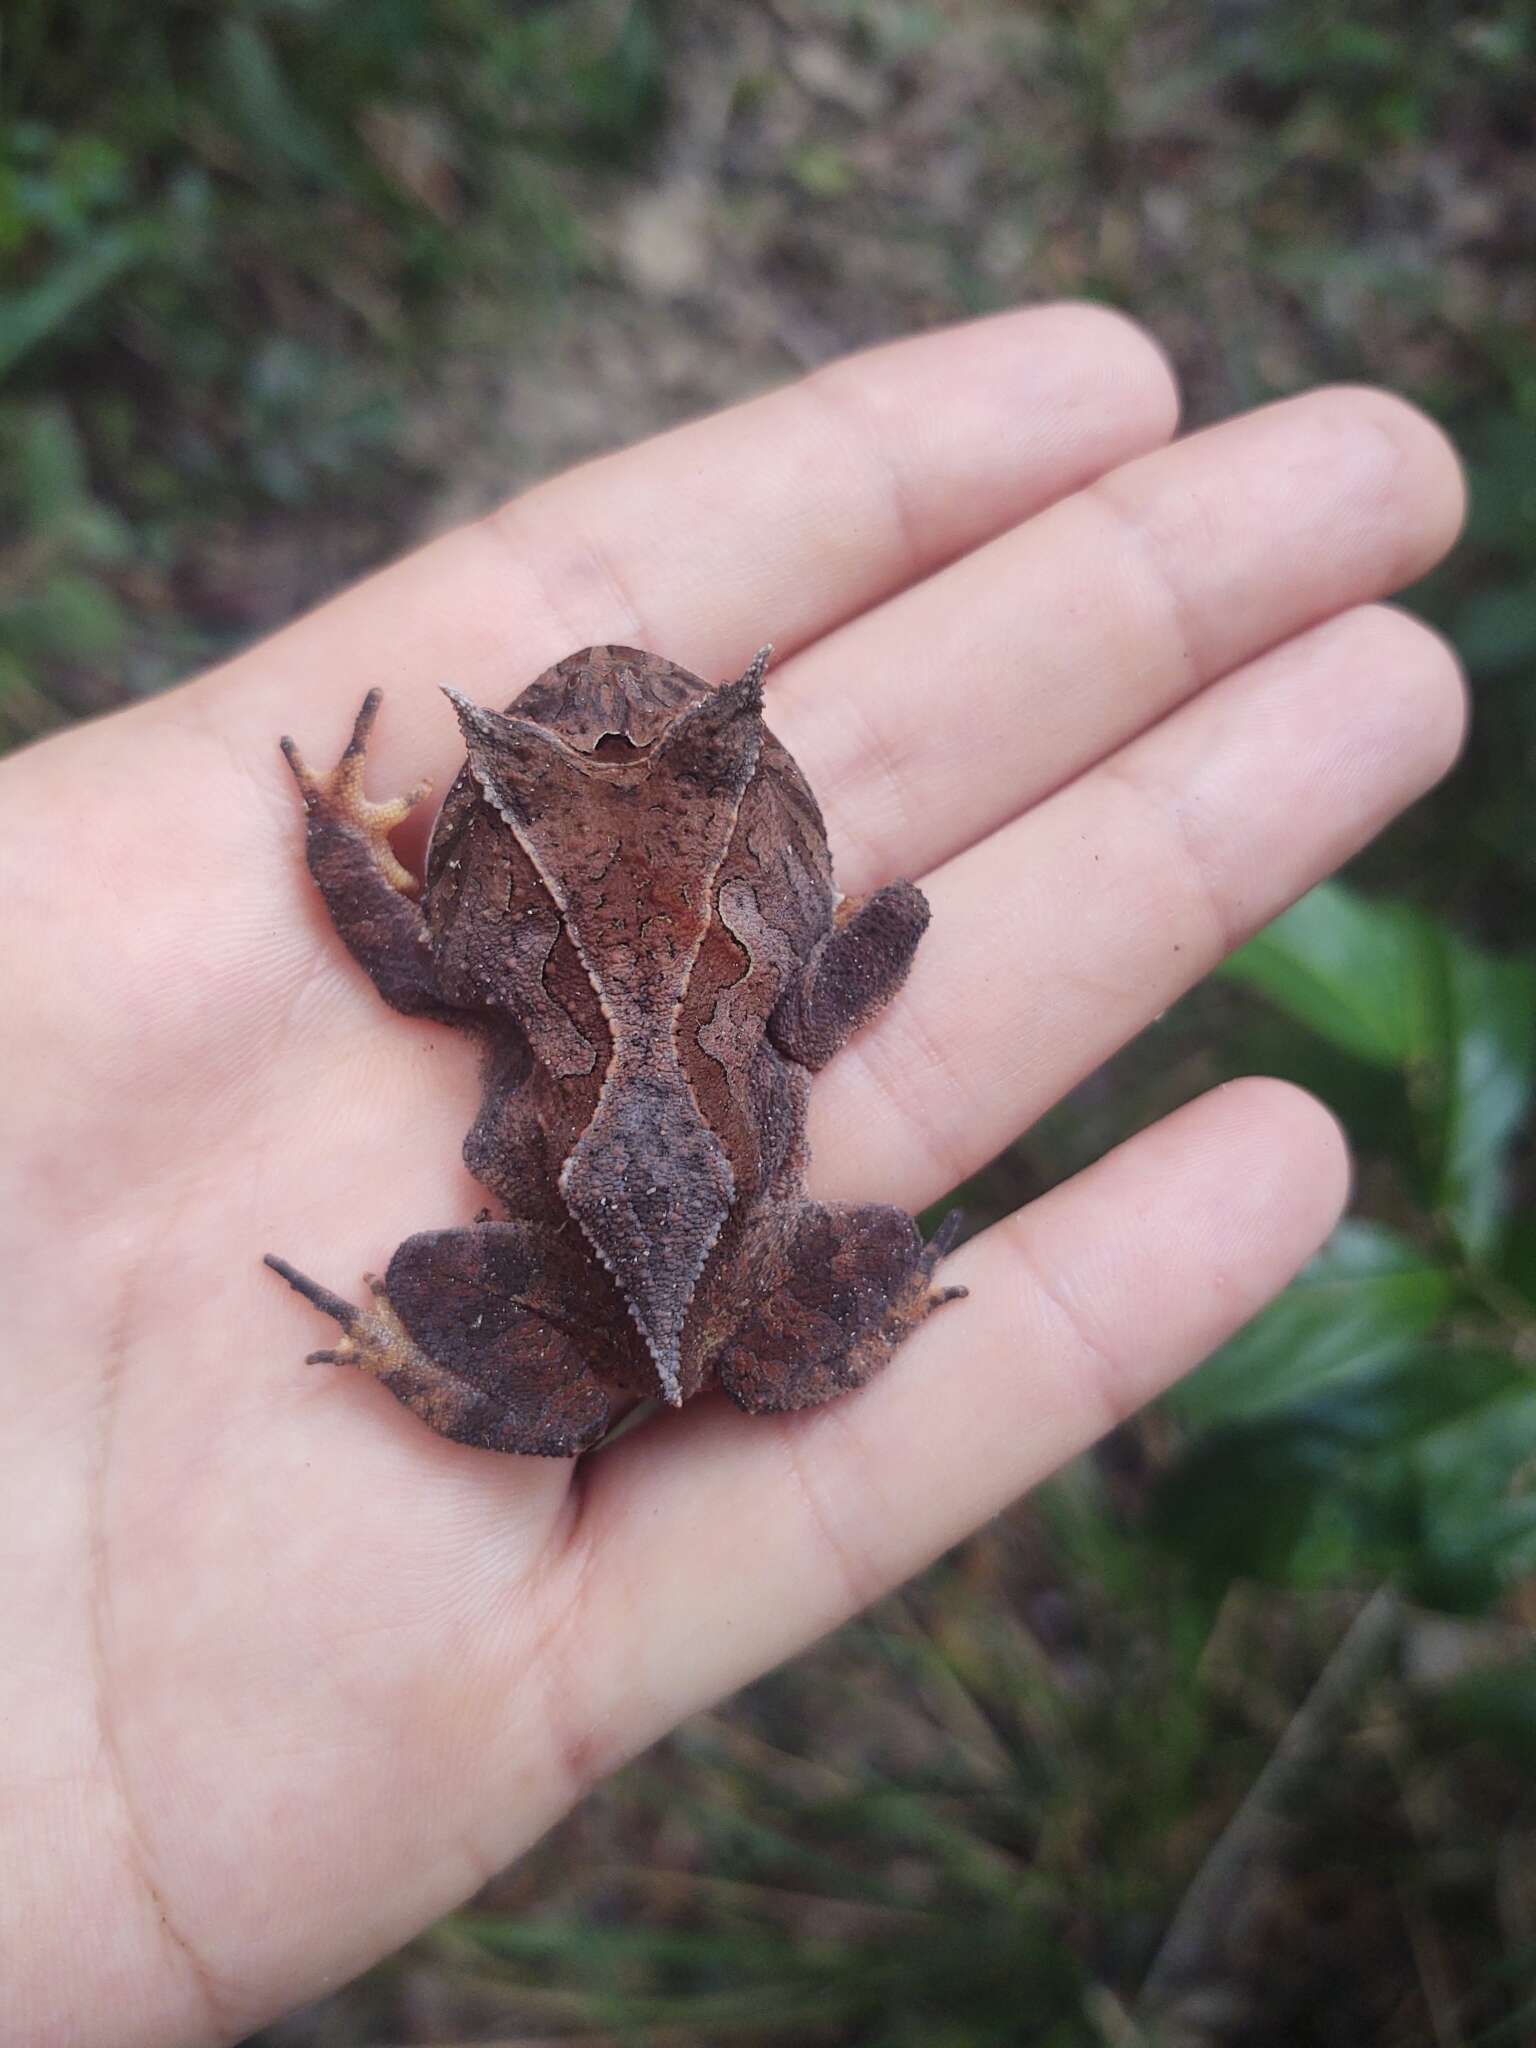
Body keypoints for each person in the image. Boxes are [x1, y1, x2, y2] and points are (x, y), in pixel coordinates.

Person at [0, 305, 1466, 2047]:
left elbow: (405, 960)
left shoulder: (483, 955)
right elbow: (854, 974)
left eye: (713, 741)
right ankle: (851, 1310)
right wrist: (868, 937)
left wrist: (339, 821)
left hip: (666, 1269)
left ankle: (471, 1352)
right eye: (526, 766)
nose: (622, 714)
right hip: (714, 1265)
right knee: (823, 1254)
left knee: (427, 1293)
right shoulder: (764, 969)